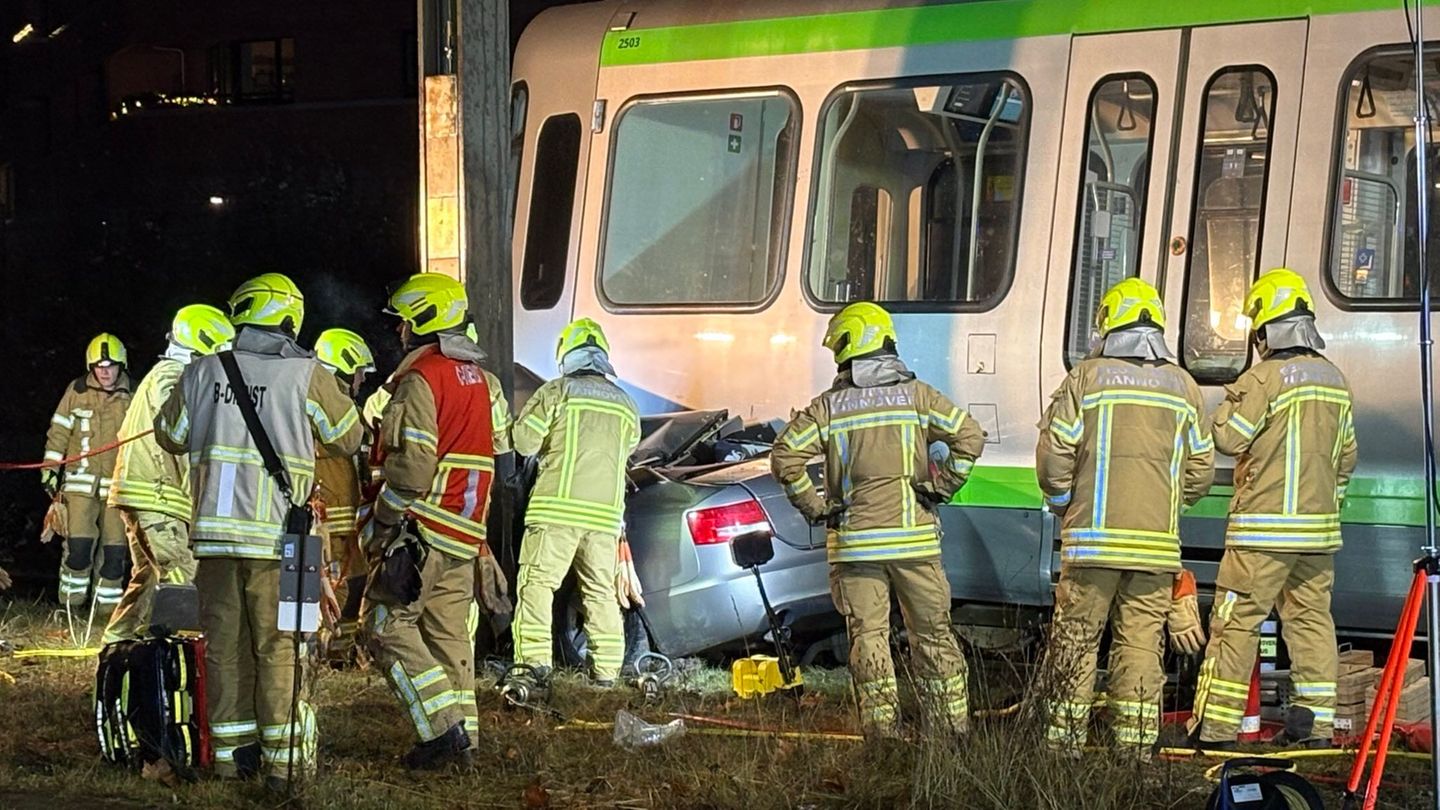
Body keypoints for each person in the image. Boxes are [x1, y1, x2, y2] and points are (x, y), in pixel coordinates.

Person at [156, 273, 363, 786]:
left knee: (224, 647)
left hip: (214, 539)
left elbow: (170, 435)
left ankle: (231, 761)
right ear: (289, 319)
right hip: (280, 541)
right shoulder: (306, 373)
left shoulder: (202, 372)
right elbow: (348, 438)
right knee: (281, 647)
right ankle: (282, 765)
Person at [771, 301, 985, 739]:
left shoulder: (830, 407)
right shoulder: (919, 396)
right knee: (933, 635)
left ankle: (882, 732)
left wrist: (814, 507)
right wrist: (943, 487)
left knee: (868, 638)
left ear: (851, 348)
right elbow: (970, 437)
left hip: (857, 547)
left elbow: (785, 457)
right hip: (915, 545)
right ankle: (951, 731)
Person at [1035, 278, 1214, 756]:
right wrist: (1169, 504)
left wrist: (1062, 500)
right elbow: (1200, 469)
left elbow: (1054, 459)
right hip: (1155, 547)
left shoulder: (1086, 380)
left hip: (1091, 545)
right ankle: (1133, 752)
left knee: (1076, 640)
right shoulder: (1185, 387)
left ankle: (1063, 748)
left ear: (1108, 324)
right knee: (1140, 646)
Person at [1190, 268, 1357, 750]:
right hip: (1318, 536)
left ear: (1267, 328)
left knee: (1236, 622)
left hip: (1263, 534)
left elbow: (1228, 437)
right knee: (1310, 622)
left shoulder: (1263, 379)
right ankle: (1316, 727)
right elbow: (1346, 456)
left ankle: (1218, 730)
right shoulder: (1335, 379)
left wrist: (1226, 404)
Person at [364, 273, 512, 769]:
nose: (400, 331)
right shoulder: (480, 380)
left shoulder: (422, 377)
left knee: (386, 623)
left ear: (423, 320)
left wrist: (383, 519)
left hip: (423, 526)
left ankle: (440, 732)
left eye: (405, 321)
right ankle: (464, 744)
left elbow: (412, 468)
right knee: (449, 636)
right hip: (465, 533)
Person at [510, 318, 639, 691]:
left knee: (536, 586)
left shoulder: (557, 392)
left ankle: (533, 671)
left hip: (555, 512)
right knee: (600, 593)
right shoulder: (627, 404)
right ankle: (606, 675)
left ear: (566, 356)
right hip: (605, 520)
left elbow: (524, 443)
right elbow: (626, 452)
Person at [102, 305, 235, 644]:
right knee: (182, 575)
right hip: (156, 496)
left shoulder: (165, 373)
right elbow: (179, 437)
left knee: (147, 577)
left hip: (144, 494)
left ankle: (116, 642)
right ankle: (177, 658)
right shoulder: (173, 376)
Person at [44, 333, 133, 632]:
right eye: (99, 365)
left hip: (117, 488)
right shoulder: (76, 391)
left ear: (122, 366)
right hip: (79, 486)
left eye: (110, 365)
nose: (105, 371)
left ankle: (106, 614)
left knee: (115, 552)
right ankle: (70, 610)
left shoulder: (134, 395)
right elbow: (58, 432)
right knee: (79, 549)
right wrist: (50, 468)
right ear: (90, 366)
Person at [311, 327, 377, 663]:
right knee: (334, 593)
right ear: (345, 366)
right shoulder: (327, 402)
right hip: (329, 523)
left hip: (343, 522)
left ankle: (340, 659)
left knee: (351, 588)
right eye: (360, 372)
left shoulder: (335, 401)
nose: (362, 379)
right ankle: (327, 659)